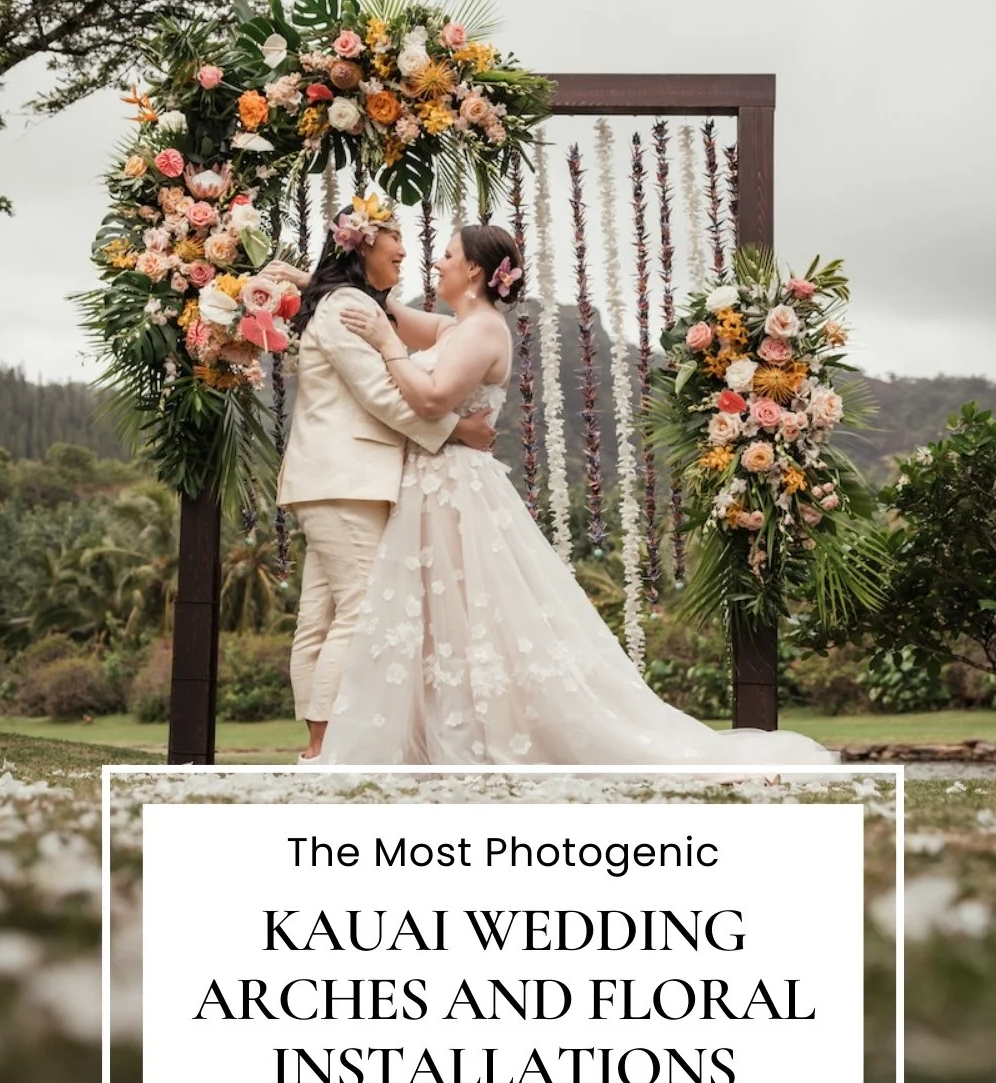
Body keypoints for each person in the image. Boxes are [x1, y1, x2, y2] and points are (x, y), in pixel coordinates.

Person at [317, 220, 833, 769]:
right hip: (428, 485)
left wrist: (383, 347)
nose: (436, 264)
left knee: (472, 615)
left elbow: (432, 399)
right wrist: (314, 281)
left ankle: (483, 735)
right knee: (435, 618)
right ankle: (434, 735)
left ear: (473, 270)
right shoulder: (454, 329)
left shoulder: (483, 330)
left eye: (446, 255)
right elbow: (386, 313)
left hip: (452, 488)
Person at [276, 195, 497, 762]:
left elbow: (393, 323)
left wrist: (309, 281)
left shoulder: (344, 302)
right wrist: (456, 432)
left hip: (333, 477)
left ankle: (314, 745)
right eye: (395, 236)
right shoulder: (344, 303)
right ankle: (324, 747)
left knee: (321, 614)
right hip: (346, 478)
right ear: (363, 243)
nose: (407, 250)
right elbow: (379, 394)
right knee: (356, 610)